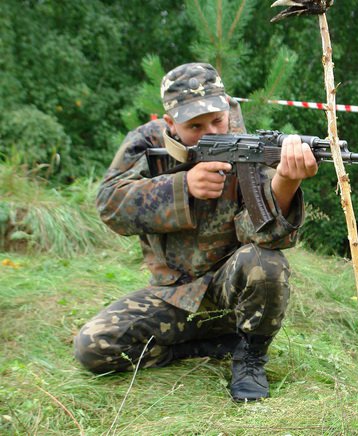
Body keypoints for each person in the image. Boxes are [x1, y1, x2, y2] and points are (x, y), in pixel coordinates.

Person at [74, 62, 318, 402]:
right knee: (93, 347)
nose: (211, 132)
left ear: (227, 107)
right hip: (172, 296)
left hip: (231, 296)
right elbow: (110, 205)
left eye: (217, 120)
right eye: (195, 126)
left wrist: (286, 183)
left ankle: (250, 357)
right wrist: (182, 186)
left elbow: (264, 237)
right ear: (170, 123)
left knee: (267, 262)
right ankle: (205, 348)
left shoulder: (249, 147)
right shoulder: (147, 142)